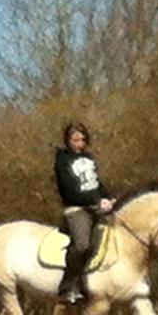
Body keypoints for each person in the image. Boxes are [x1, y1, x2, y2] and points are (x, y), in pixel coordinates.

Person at [53, 122, 115, 303]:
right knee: (82, 245)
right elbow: (68, 189)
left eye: (82, 139)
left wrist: (108, 198)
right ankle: (68, 287)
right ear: (68, 140)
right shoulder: (62, 160)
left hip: (96, 206)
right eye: (75, 140)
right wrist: (94, 201)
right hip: (76, 209)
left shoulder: (89, 158)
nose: (79, 143)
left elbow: (96, 184)